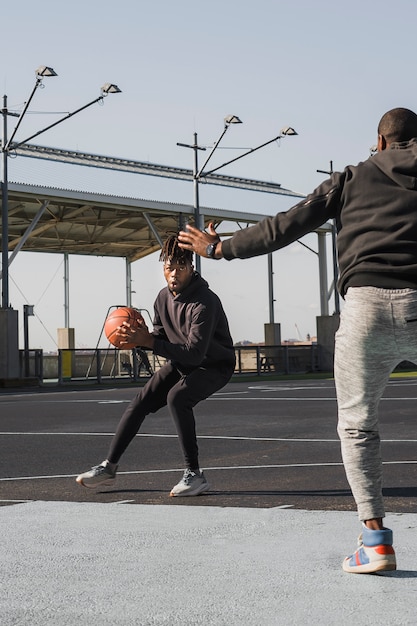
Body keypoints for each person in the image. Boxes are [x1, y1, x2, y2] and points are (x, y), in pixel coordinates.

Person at [179, 107, 417, 572]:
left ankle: (376, 544)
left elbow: (284, 226)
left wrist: (219, 248)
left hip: (366, 308)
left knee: (357, 425)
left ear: (381, 141)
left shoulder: (351, 178)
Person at [76, 234, 235, 496]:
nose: (174, 273)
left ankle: (194, 474)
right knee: (140, 402)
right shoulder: (162, 298)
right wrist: (137, 339)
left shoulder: (205, 301)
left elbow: (195, 354)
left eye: (181, 267)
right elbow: (161, 337)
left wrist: (148, 340)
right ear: (163, 269)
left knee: (178, 397)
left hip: (215, 365)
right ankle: (109, 467)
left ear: (191, 267)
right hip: (184, 361)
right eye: (169, 267)